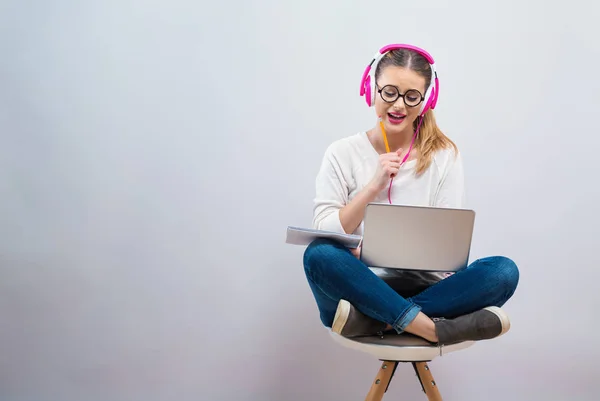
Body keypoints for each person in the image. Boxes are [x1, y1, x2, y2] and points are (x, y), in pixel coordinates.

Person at [302, 44, 519, 347]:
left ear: (427, 99)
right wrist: (372, 187)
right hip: (359, 285)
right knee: (319, 256)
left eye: (411, 96)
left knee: (503, 271)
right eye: (389, 92)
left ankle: (377, 321)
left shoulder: (444, 155)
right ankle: (433, 329)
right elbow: (323, 230)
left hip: (423, 287)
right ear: (370, 88)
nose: (399, 105)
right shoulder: (341, 153)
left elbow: (446, 252)